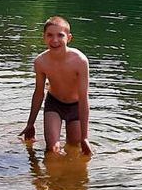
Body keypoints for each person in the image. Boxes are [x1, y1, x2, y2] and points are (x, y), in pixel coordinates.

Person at [20, 16, 92, 156]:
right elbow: (39, 93)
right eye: (50, 35)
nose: (54, 40)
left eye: (60, 35)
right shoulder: (40, 62)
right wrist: (30, 123)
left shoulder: (80, 61)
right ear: (44, 38)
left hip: (76, 106)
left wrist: (85, 137)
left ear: (69, 38)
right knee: (52, 149)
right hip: (54, 104)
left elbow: (84, 98)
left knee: (74, 146)